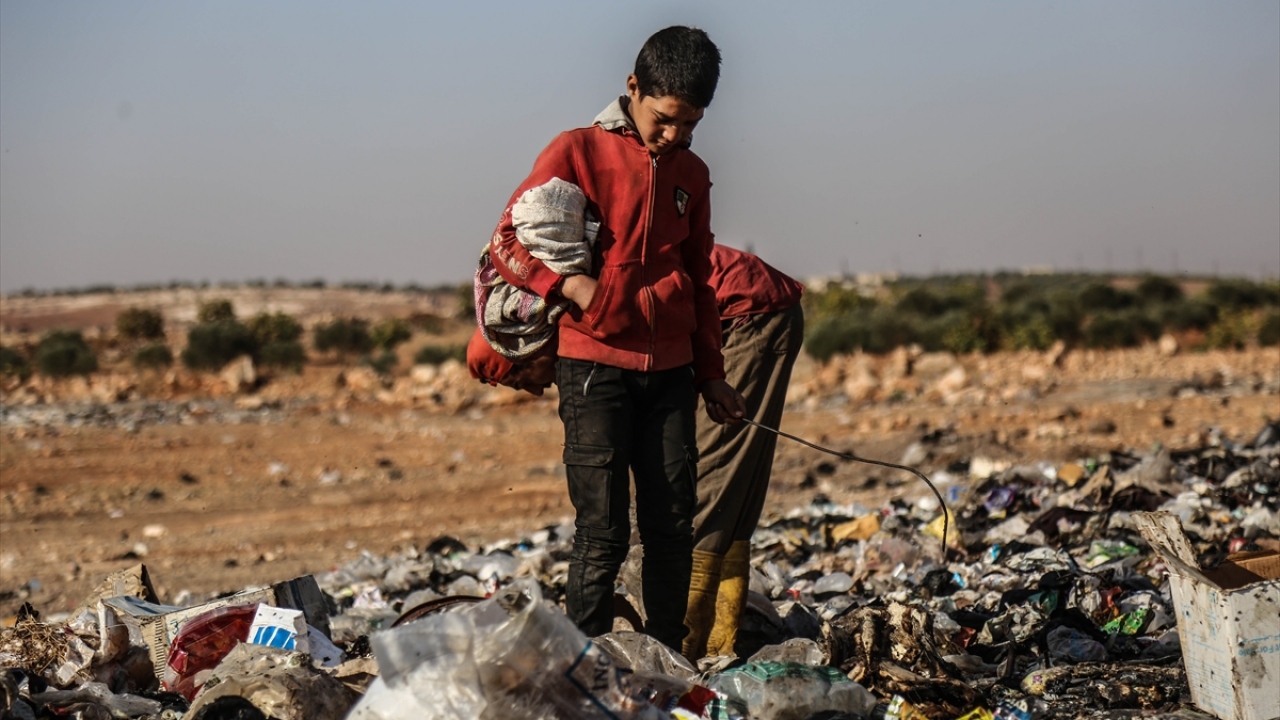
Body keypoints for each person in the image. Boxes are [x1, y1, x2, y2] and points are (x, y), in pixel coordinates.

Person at [483, 26, 745, 652]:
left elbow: (700, 279)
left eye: (690, 123)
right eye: (664, 119)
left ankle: (667, 659)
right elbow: (510, 240)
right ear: (633, 88)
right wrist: (572, 288)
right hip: (593, 367)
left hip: (672, 372)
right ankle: (587, 664)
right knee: (602, 531)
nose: (675, 135)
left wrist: (711, 374)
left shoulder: (693, 174)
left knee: (671, 527)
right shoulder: (576, 151)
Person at [468, 244, 804, 659]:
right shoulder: (579, 308)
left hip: (744, 313)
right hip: (755, 307)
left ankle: (686, 652)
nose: (538, 390)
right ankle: (720, 640)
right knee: (729, 488)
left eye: (523, 381)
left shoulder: (584, 311)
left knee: (707, 486)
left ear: (526, 351)